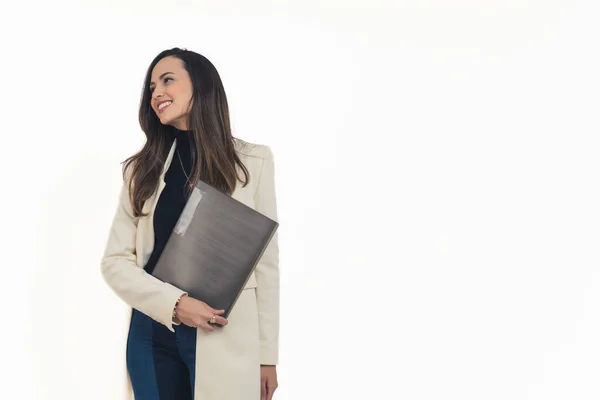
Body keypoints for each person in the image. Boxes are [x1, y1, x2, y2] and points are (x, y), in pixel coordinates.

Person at [100, 47, 280, 400]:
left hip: (221, 332)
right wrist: (175, 303)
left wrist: (267, 356)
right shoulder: (141, 171)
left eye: (167, 80)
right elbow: (114, 261)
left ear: (201, 85)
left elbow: (267, 264)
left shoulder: (253, 162)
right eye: (151, 86)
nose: (156, 93)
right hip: (153, 329)